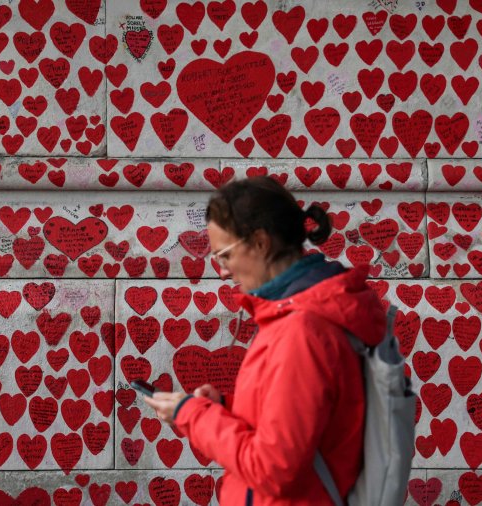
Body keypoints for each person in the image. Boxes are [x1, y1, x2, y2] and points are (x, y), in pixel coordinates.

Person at [143, 176, 388, 505]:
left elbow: (273, 469)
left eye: (224, 256)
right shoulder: (297, 315)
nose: (223, 272)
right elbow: (299, 421)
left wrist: (194, 415)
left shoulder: (302, 331)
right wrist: (224, 409)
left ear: (260, 243)